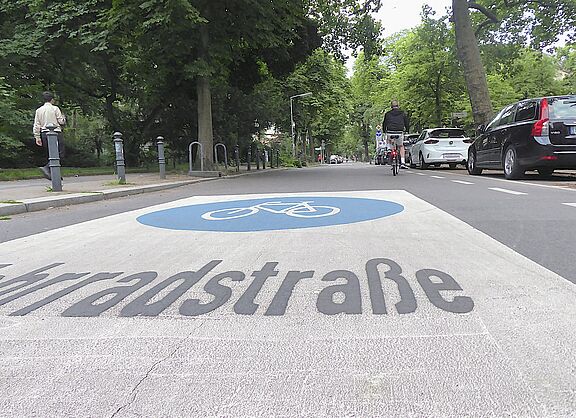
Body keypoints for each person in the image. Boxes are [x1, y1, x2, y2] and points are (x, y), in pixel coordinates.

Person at [33, 91, 66, 180]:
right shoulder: (55, 109)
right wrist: (63, 117)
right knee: (60, 153)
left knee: (51, 154)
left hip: (44, 133)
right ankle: (47, 168)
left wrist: (37, 137)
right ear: (52, 100)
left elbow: (37, 124)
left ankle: (55, 174)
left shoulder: (39, 110)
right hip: (56, 133)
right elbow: (61, 121)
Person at [382, 100, 409, 168]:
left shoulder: (387, 114)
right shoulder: (402, 113)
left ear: (391, 106)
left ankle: (389, 149)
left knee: (389, 141)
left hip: (390, 132)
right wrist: (407, 130)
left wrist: (384, 131)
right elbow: (406, 123)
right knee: (401, 146)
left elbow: (384, 123)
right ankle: (402, 162)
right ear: (398, 106)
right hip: (399, 132)